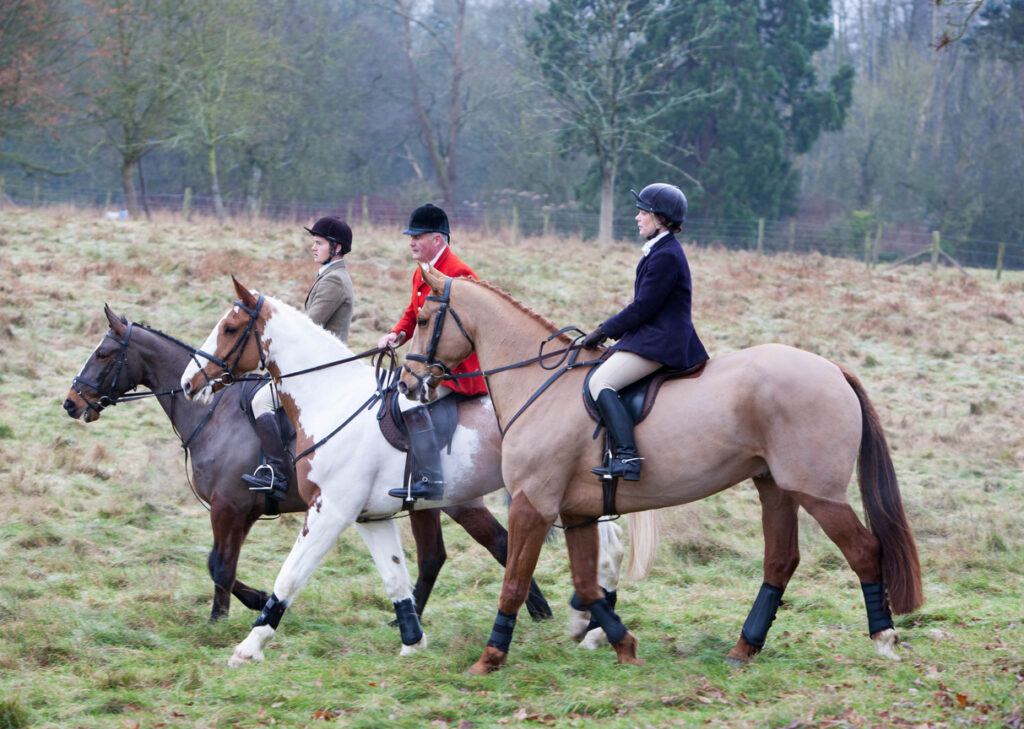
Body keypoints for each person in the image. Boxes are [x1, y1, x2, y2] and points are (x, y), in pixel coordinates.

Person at [581, 183, 709, 481]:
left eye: (643, 213)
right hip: (653, 335)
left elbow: (642, 308)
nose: (638, 218)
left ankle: (628, 457)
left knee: (600, 382)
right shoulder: (661, 250)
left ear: (660, 219)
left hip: (662, 341)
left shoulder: (666, 255)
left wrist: (603, 331)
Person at [377, 203, 487, 502]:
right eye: (410, 236)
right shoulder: (422, 272)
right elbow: (414, 315)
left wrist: (439, 368)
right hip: (431, 363)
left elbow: (469, 331)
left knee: (409, 402)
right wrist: (395, 334)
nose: (411, 241)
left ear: (437, 239)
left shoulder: (458, 273)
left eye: (417, 236)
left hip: (458, 371)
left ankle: (430, 477)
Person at [242, 216, 355, 500]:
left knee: (261, 400)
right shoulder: (329, 275)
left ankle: (277, 474)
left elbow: (309, 328)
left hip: (320, 370)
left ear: (337, 248)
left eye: (319, 243)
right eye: (313, 242)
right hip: (314, 363)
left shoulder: (335, 282)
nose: (313, 248)